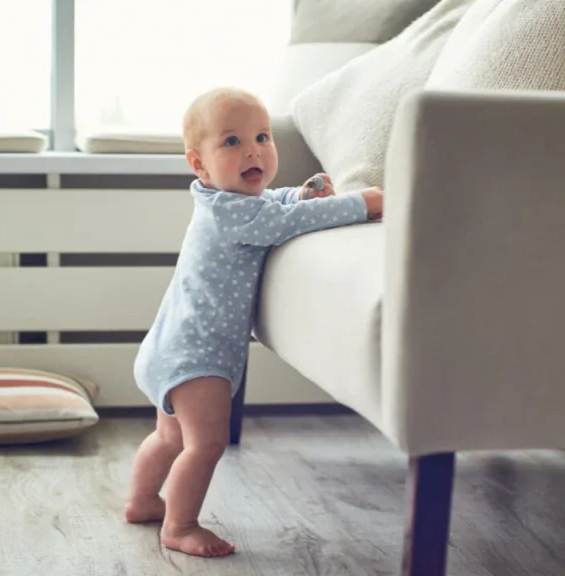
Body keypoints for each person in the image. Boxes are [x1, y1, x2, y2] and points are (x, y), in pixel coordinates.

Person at [125, 87, 384, 557]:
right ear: (198, 164)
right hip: (199, 358)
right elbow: (284, 223)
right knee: (204, 445)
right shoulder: (234, 216)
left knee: (168, 436)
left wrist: (301, 193)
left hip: (169, 347)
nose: (253, 149)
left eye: (262, 136)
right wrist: (362, 204)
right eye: (231, 142)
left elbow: (275, 203)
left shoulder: (225, 203)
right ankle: (179, 526)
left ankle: (142, 500)